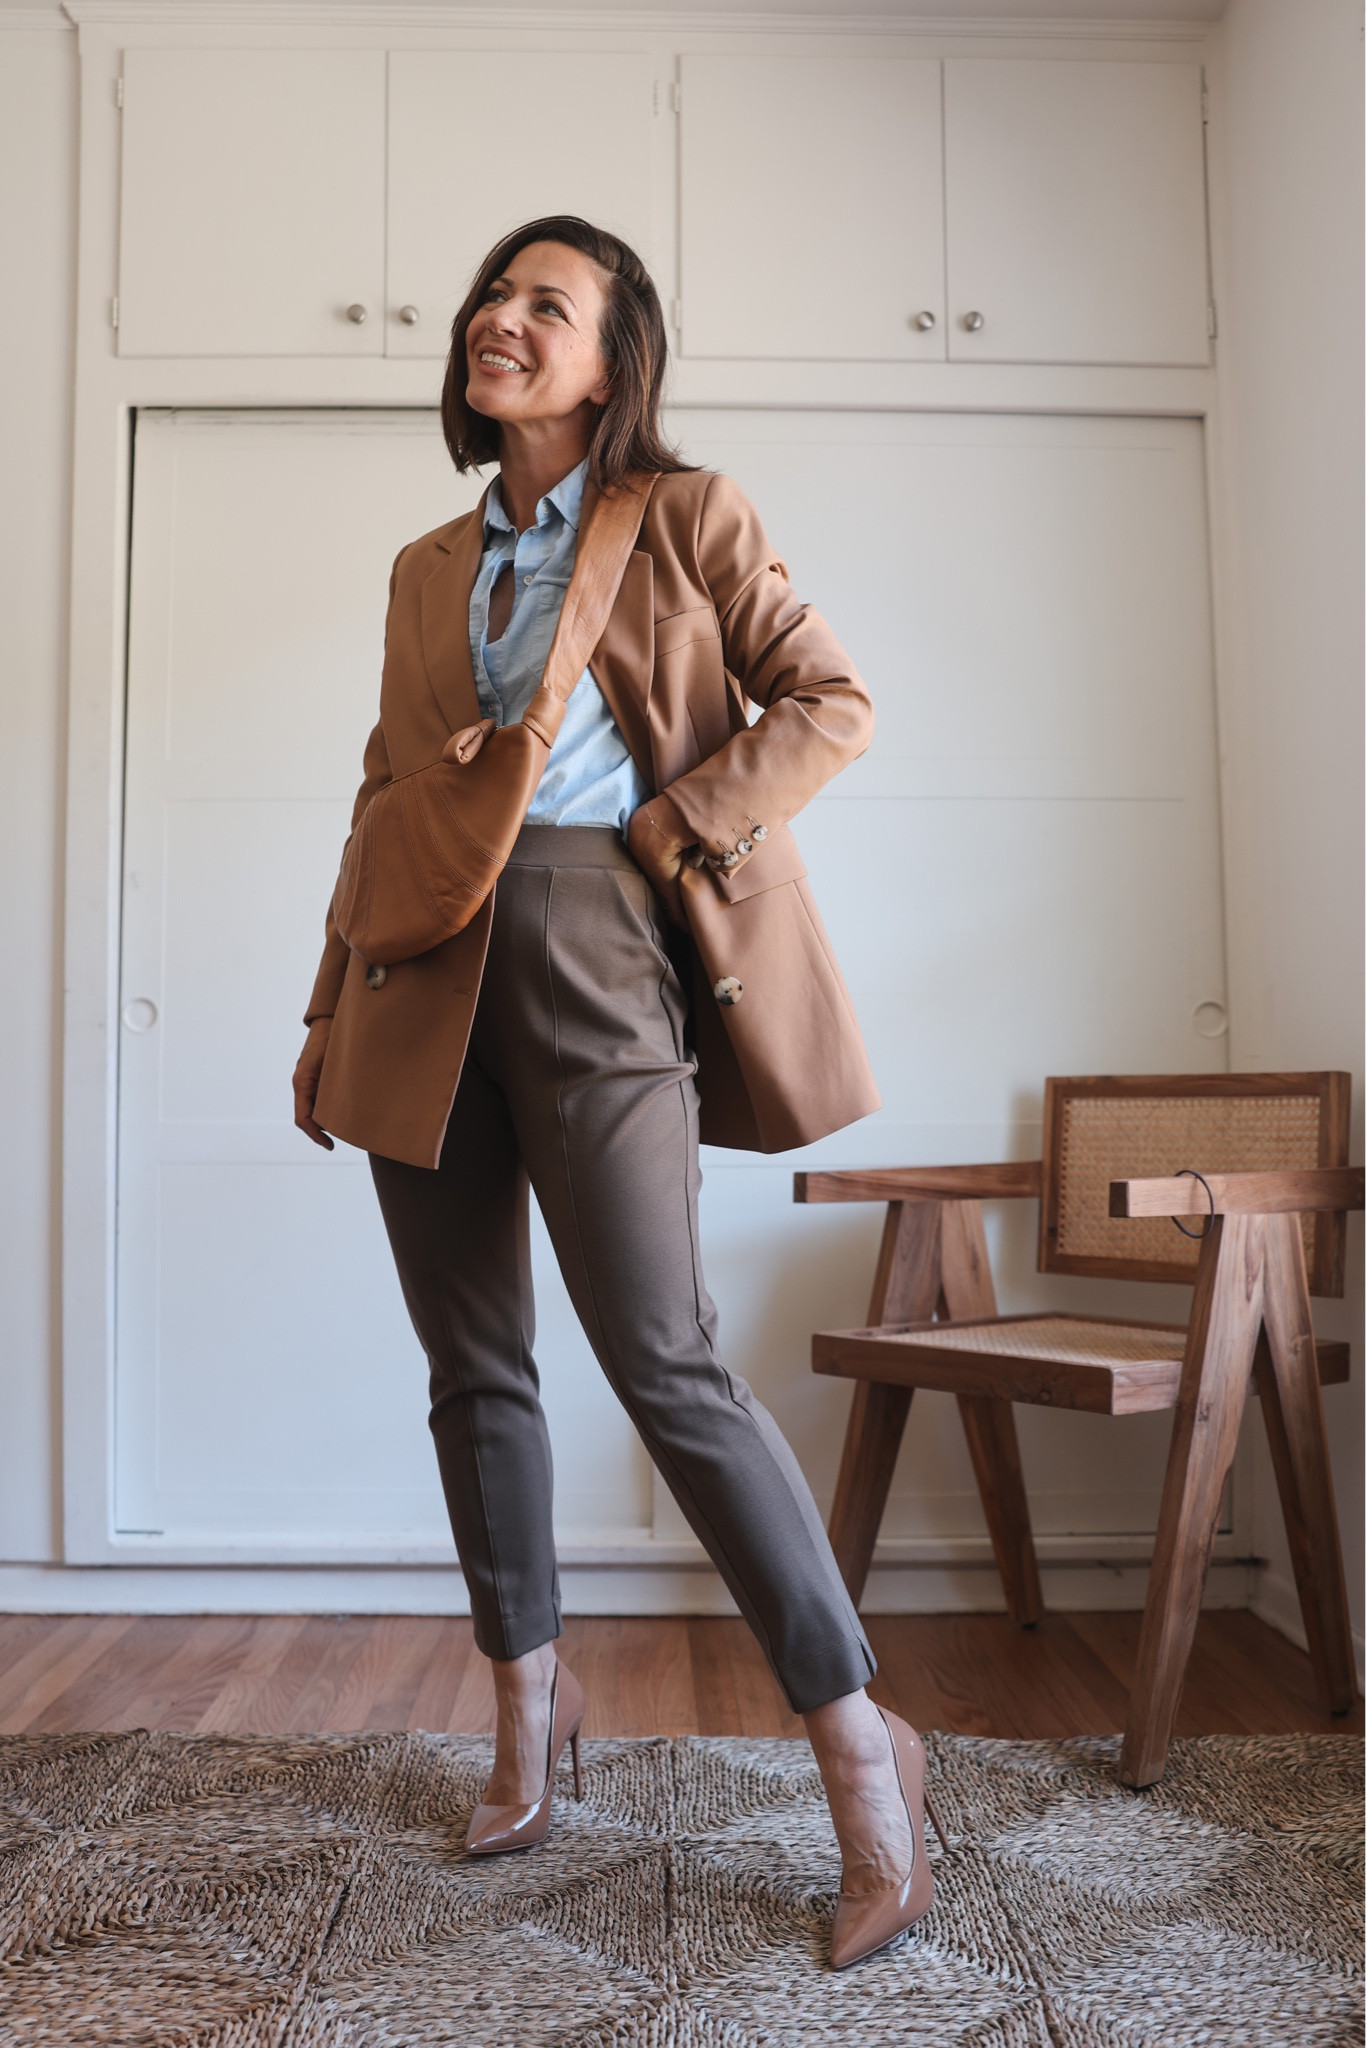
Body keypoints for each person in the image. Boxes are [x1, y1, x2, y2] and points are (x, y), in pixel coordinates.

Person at [293, 216, 941, 1969]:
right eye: (493, 298)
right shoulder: (432, 563)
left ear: (609, 358)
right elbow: (380, 797)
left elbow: (832, 700)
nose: (502, 320)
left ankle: (864, 1771)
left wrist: (668, 832)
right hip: (413, 969)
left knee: (662, 1357)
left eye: (545, 305)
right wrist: (315, 1016)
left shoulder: (686, 515)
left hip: (596, 940)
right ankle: (527, 1723)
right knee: (471, 1366)